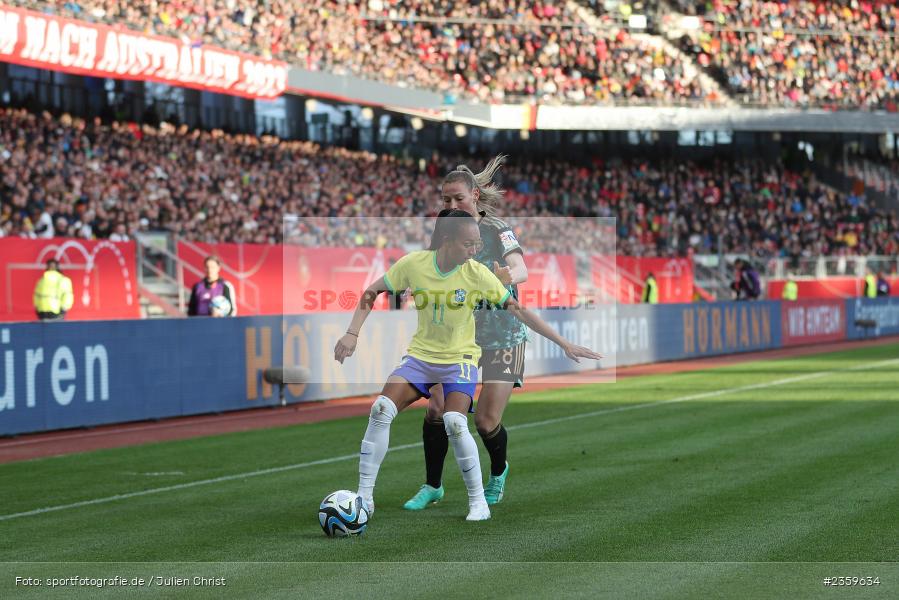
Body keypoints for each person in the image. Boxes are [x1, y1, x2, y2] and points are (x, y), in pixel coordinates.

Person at [334, 209, 601, 521]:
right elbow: (372, 291)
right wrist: (352, 333)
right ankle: (365, 498)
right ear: (447, 241)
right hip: (420, 358)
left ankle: (478, 503)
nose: (475, 251)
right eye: (469, 244)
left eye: (477, 244)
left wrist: (564, 342)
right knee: (381, 408)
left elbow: (518, 310)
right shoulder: (415, 264)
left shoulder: (476, 273)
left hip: (459, 360)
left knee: (455, 422)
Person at [404, 156, 531, 511]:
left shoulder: (497, 229)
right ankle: (433, 486)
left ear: (474, 196)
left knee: (486, 420)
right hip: (461, 341)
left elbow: (521, 266)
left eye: (458, 198)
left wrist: (509, 276)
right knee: (436, 411)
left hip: (505, 336)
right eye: (445, 200)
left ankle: (499, 470)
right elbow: (431, 269)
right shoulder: (444, 231)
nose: (451, 206)